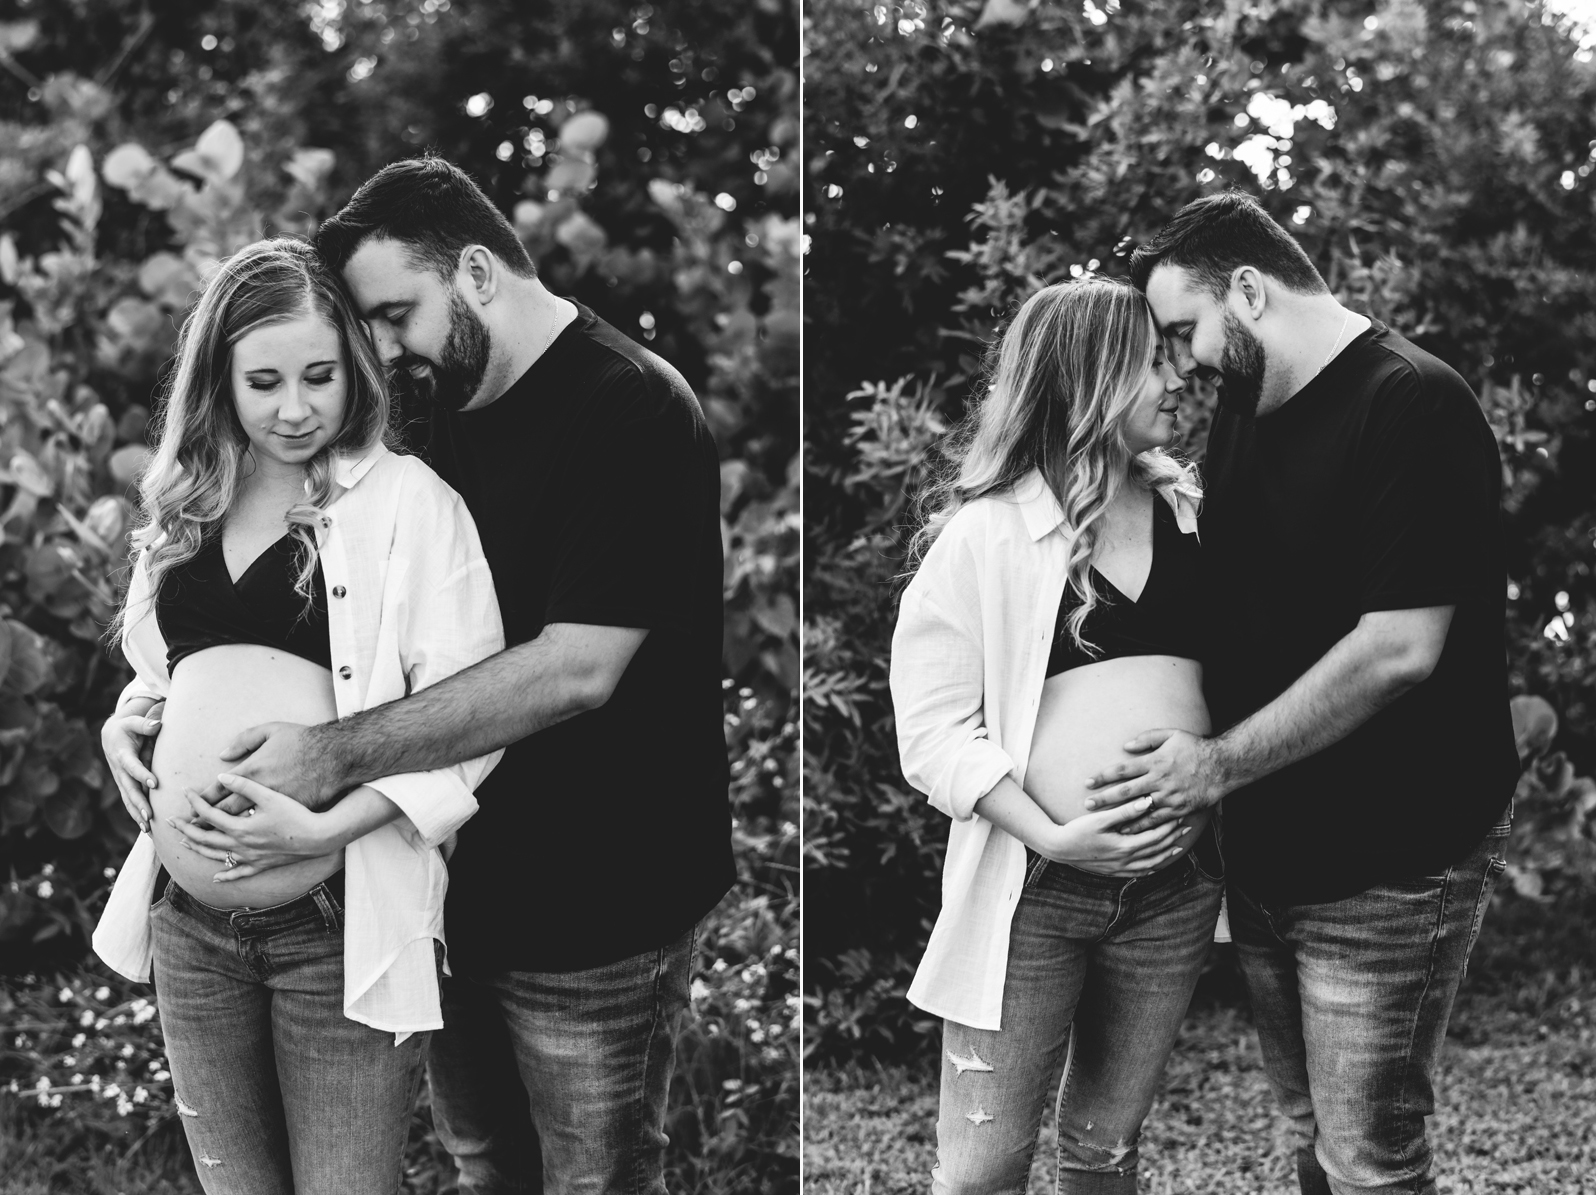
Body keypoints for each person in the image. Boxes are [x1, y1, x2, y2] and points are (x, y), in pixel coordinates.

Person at [104, 157, 734, 1195]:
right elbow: (297, 629)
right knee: (486, 1165)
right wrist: (146, 720)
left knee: (597, 1176)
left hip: (599, 892)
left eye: (397, 313)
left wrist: (329, 766)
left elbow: (575, 670)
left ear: (477, 271)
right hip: (449, 883)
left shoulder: (629, 408)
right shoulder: (435, 400)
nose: (384, 350)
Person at [1079, 192, 1518, 1195]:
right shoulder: (1247, 407)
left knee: (1367, 1158)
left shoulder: (1411, 401)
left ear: (1248, 289)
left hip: (1392, 861)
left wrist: (1217, 763)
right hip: (1270, 852)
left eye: (1185, 329)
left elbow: (1399, 648)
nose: (1181, 361)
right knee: (1302, 1135)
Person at [94, 237, 505, 1193]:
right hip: (189, 925)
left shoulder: (408, 503)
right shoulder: (192, 502)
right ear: (221, 380)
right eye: (264, 380)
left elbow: (469, 719)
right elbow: (168, 666)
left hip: (336, 916)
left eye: (318, 376)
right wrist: (128, 720)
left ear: (353, 369)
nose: (293, 407)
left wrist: (325, 821)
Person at [890, 277, 1225, 1194]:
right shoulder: (989, 534)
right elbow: (931, 730)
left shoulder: (1193, 515)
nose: (1176, 376)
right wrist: (1056, 834)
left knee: (1105, 1146)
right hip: (1035, 887)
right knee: (981, 1169)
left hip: (1174, 885)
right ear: (1092, 378)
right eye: (1152, 359)